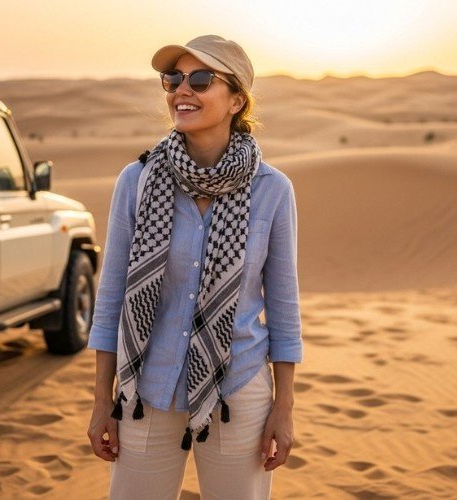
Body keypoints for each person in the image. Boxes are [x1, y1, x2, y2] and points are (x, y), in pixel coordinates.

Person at [87, 35, 302, 499]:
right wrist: (102, 399)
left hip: (238, 392)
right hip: (146, 390)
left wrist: (284, 408)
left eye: (201, 79)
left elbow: (283, 310)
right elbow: (111, 297)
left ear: (236, 100)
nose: (182, 90)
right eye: (173, 79)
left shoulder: (272, 190)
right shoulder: (137, 180)